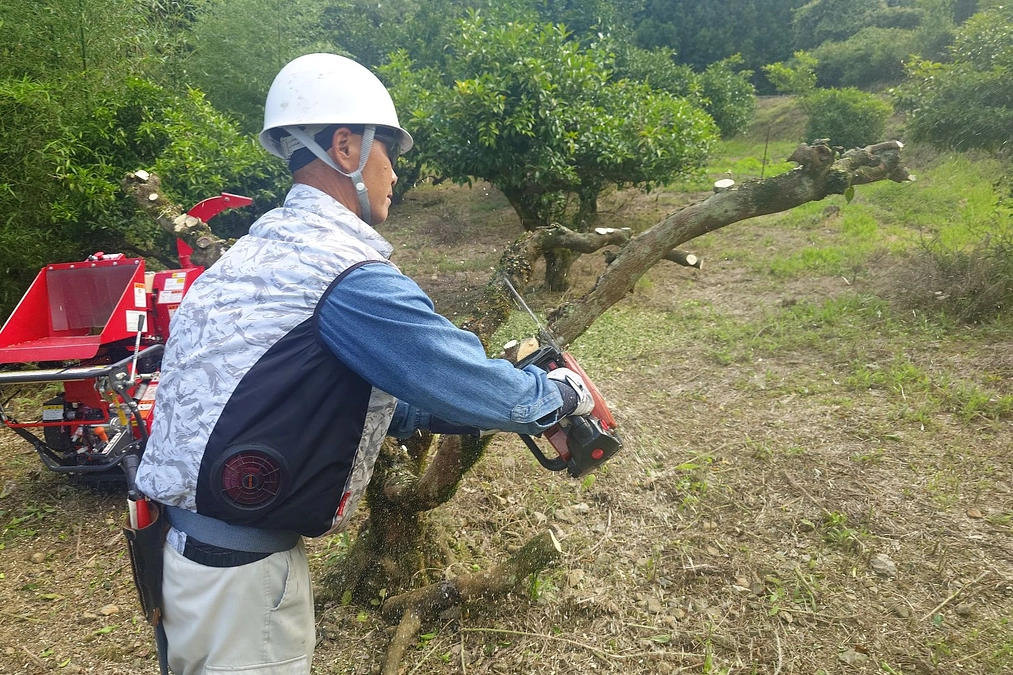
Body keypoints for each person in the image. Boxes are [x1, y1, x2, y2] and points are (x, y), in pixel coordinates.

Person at [134, 52, 594, 675]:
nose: (395, 174)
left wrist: (427, 414)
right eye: (391, 154)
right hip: (241, 578)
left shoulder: (259, 252)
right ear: (346, 148)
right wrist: (558, 395)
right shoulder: (345, 273)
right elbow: (457, 374)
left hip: (190, 550)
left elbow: (312, 391)